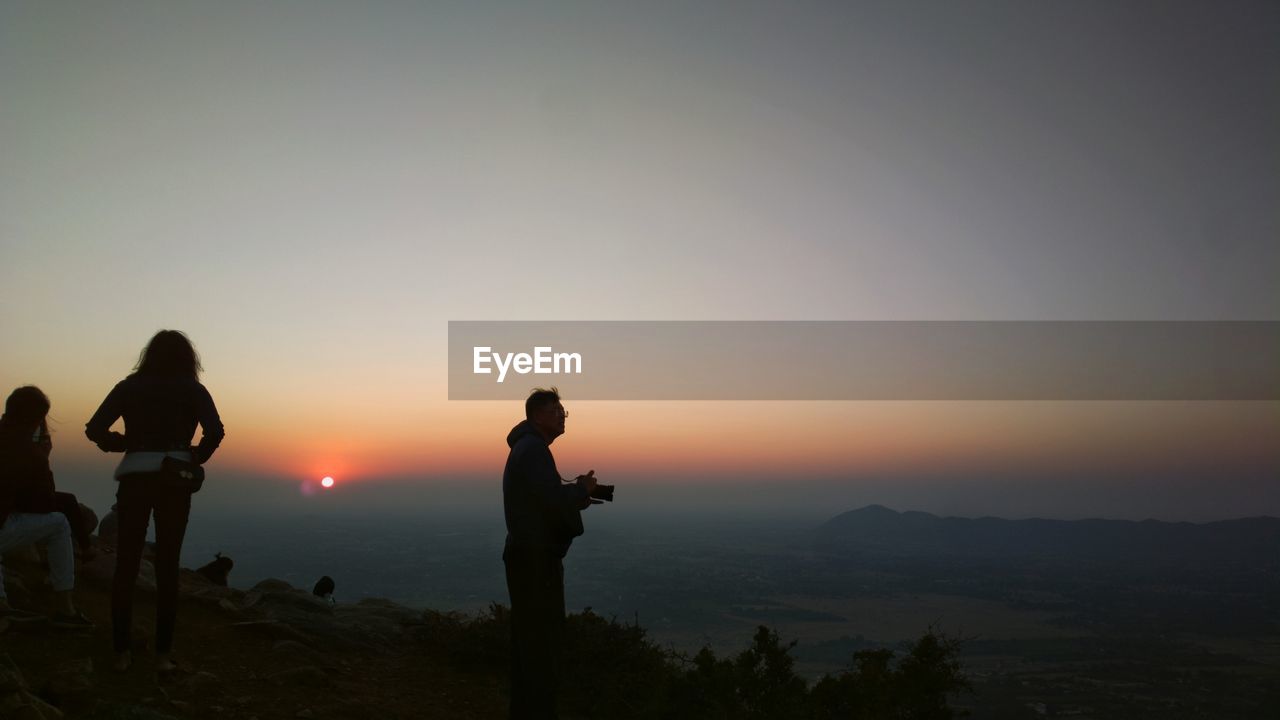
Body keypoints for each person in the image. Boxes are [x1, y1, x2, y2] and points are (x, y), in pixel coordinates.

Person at [85, 330, 224, 672]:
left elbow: (95, 428)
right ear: (187, 358)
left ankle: (121, 653)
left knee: (127, 563)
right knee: (167, 564)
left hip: (135, 477)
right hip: (175, 480)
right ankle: (163, 655)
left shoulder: (128, 387)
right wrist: (195, 457)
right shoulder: (193, 389)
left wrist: (124, 444)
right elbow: (215, 431)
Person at [502, 387, 602, 719]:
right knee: (541, 645)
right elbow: (550, 504)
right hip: (534, 562)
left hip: (526, 557)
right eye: (558, 411)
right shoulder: (533, 450)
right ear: (538, 415)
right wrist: (580, 490)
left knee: (528, 644)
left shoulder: (528, 448)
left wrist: (575, 494)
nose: (563, 417)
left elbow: (541, 498)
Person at [0, 386, 93, 627]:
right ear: (37, 420)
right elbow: (45, 503)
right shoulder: (28, 451)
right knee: (59, 523)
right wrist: (43, 457)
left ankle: (3, 608)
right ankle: (66, 609)